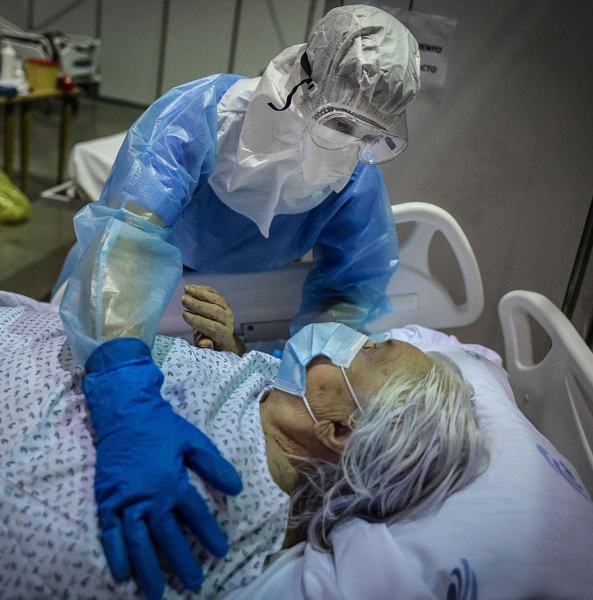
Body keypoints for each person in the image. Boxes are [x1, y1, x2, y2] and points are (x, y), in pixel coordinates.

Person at [54, 8, 421, 590]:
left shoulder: (353, 175)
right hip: (122, 305)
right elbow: (124, 244)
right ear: (302, 79)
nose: (351, 150)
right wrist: (122, 386)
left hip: (231, 321)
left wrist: (283, 376)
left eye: (374, 137)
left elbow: (352, 289)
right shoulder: (196, 117)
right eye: (342, 124)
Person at [0, 298, 487, 600]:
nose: (346, 336)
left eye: (366, 351)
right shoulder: (275, 402)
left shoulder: (203, 502)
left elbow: (28, 562)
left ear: (338, 433)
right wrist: (230, 355)